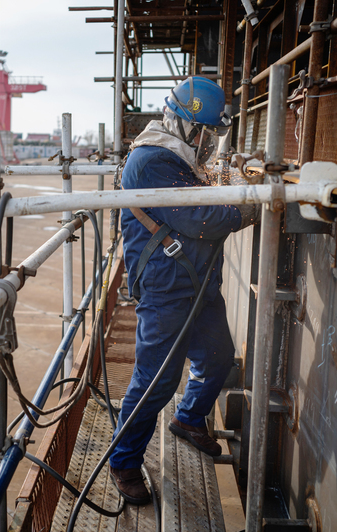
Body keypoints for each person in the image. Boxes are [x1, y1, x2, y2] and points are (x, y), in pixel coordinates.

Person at [108, 76, 260, 505]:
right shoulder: (152, 160)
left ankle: (189, 419)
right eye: (206, 133)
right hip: (166, 286)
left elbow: (205, 206)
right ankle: (123, 461)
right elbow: (202, 219)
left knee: (216, 356)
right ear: (187, 126)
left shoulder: (179, 158)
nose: (209, 143)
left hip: (196, 282)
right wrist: (248, 206)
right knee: (157, 380)